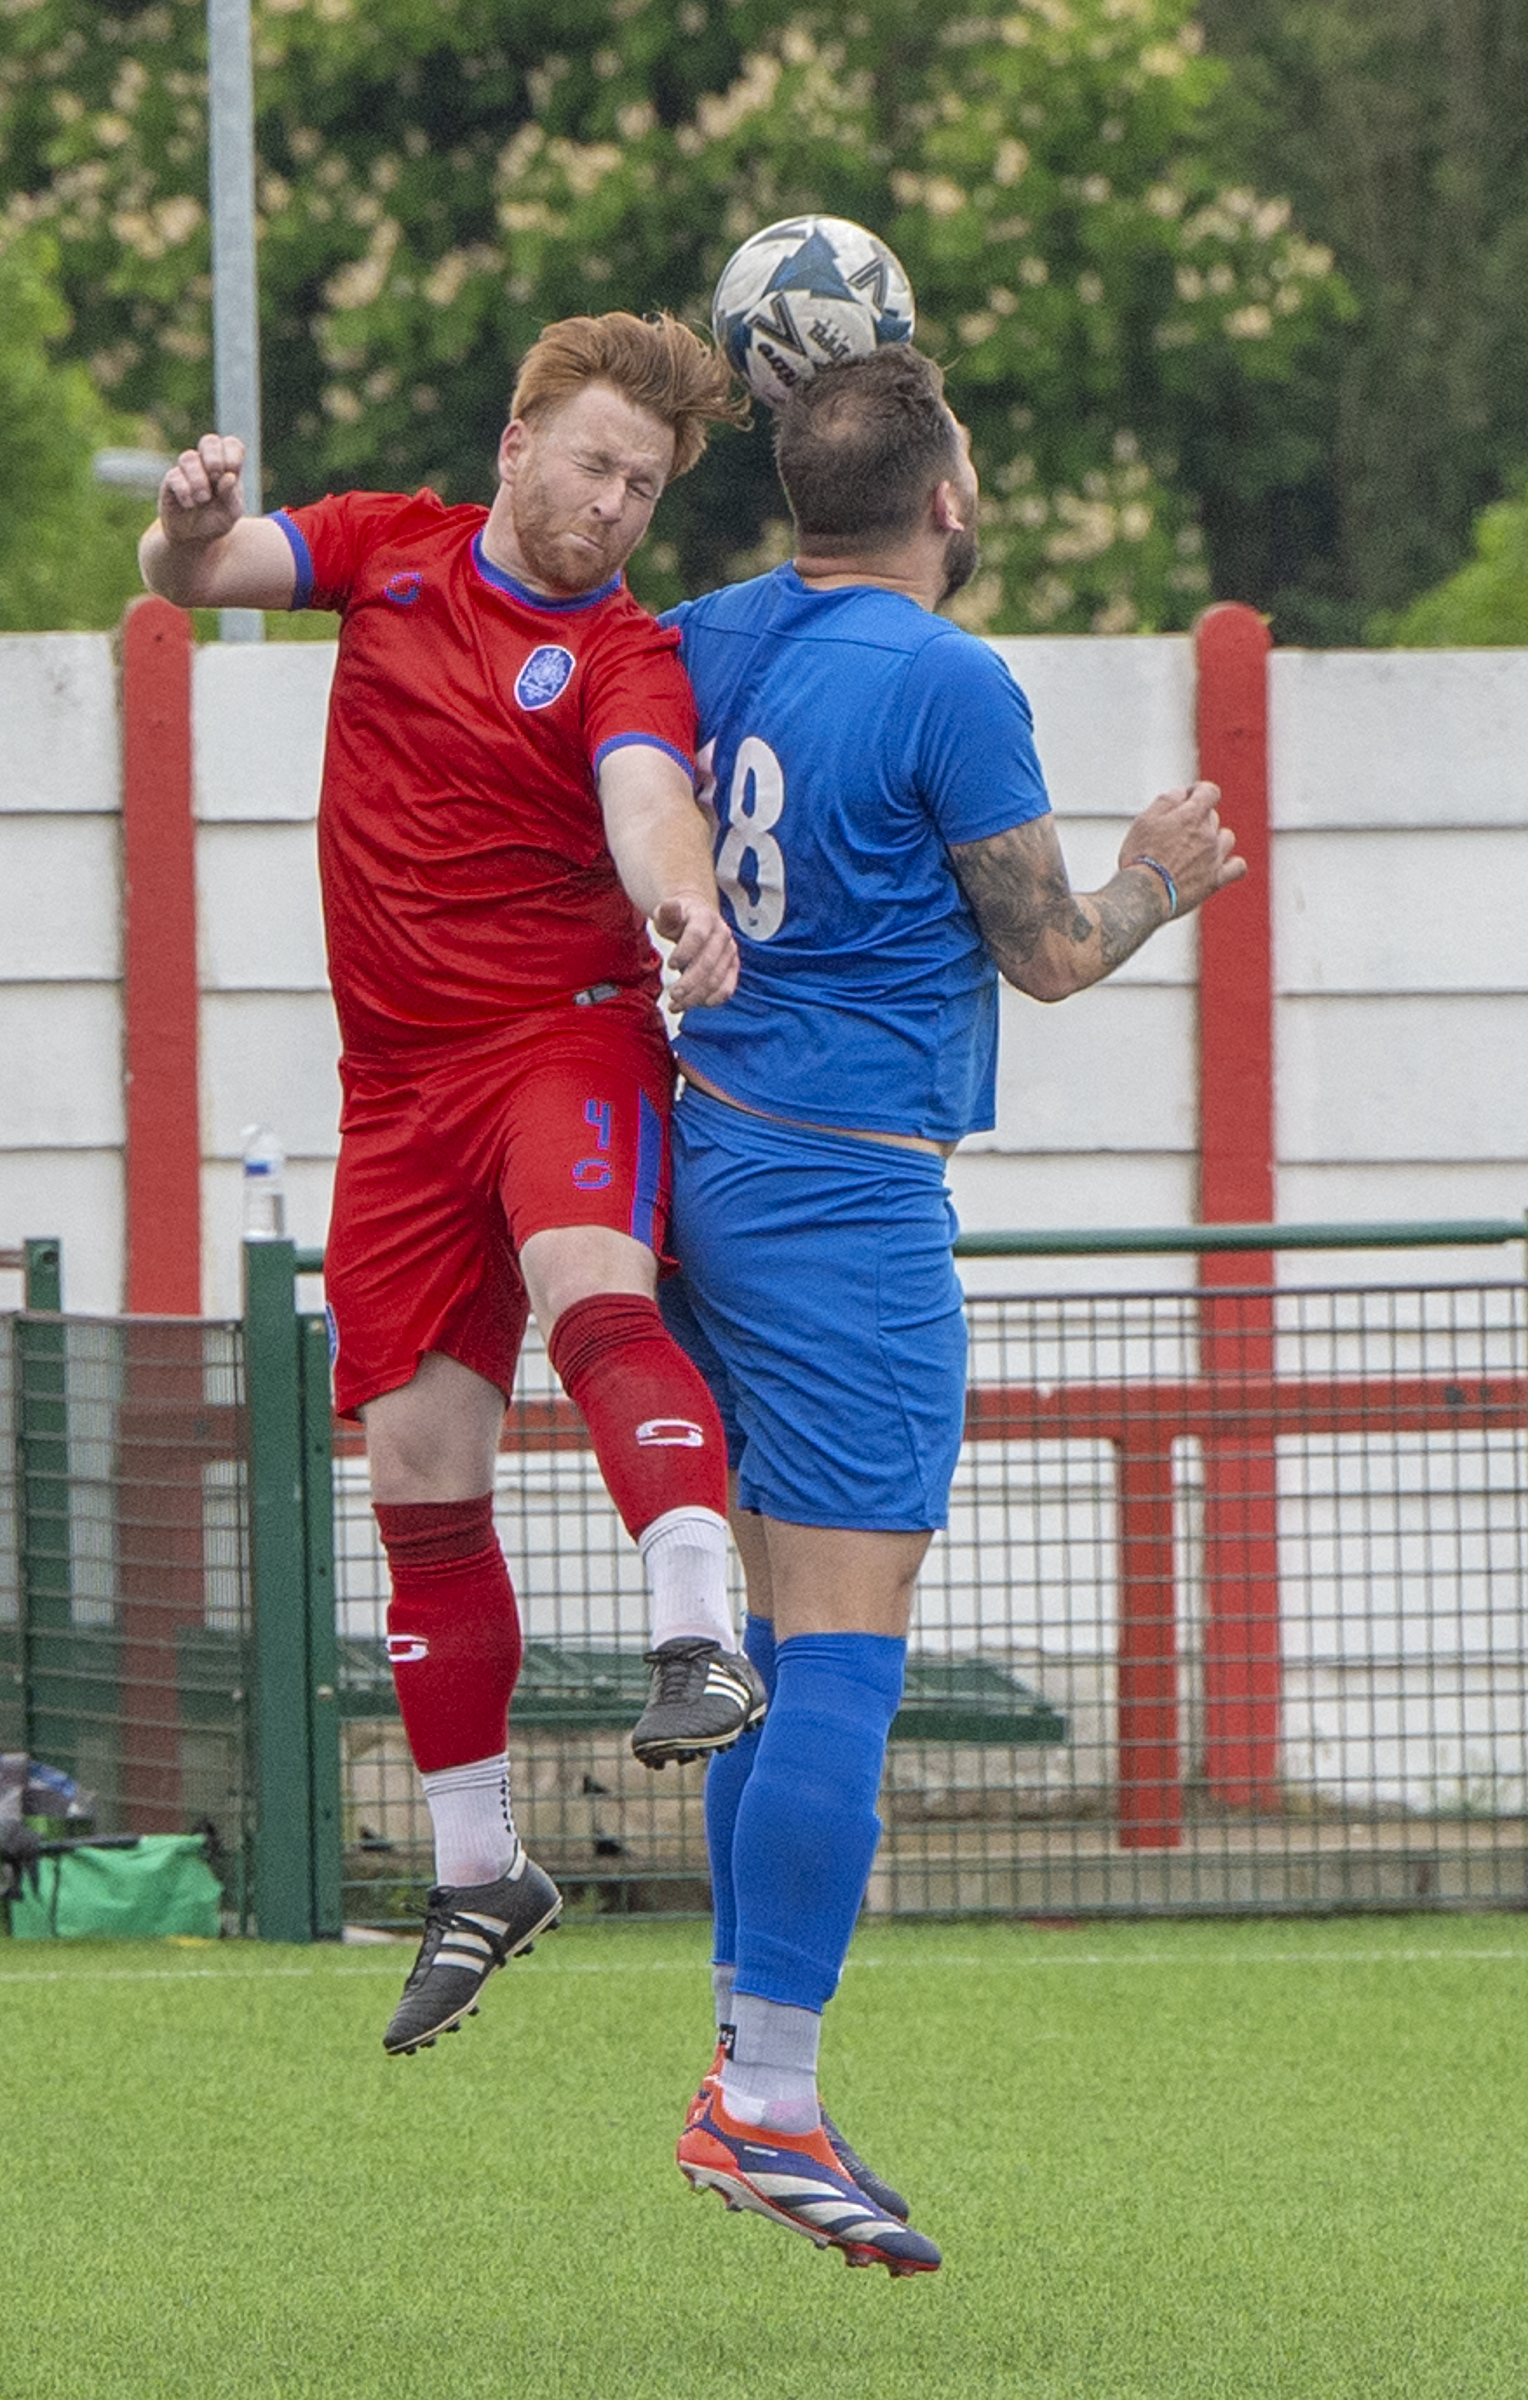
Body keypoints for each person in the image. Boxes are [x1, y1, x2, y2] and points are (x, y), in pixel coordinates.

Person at [658, 343, 1246, 2275]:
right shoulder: (948, 677)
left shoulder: (712, 636)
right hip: (842, 1195)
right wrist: (1161, 876)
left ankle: (748, 2067)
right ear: (944, 501)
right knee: (845, 1647)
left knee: (773, 1636)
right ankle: (765, 2100)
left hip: (704, 1158)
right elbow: (1052, 952)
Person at [138, 311, 765, 2056]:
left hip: (563, 1041)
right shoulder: (388, 551)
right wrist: (187, 527)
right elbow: (200, 577)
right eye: (596, 465)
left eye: (645, 487)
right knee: (416, 1464)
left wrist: (681, 902)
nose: (615, 505)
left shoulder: (627, 651)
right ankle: (482, 1872)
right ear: (515, 443)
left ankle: (701, 1632)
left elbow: (648, 801)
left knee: (592, 1291)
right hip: (398, 1094)